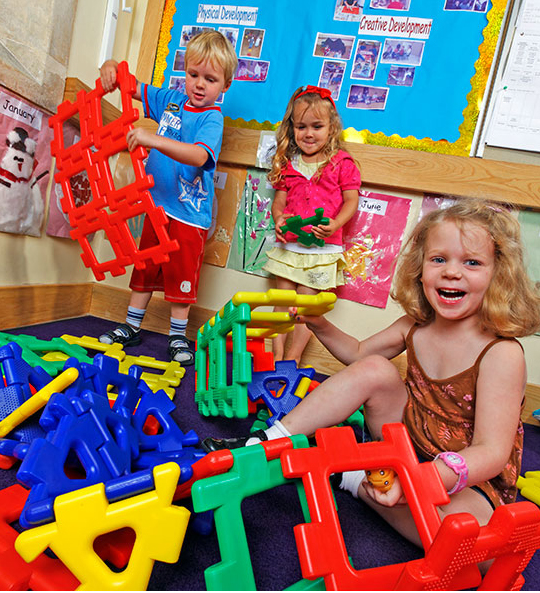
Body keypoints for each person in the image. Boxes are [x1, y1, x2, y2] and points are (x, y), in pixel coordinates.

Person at [203, 199, 540, 548]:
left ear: (499, 274)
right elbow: (358, 354)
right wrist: (320, 324)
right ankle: (268, 440)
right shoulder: (415, 324)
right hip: (408, 441)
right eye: (439, 259)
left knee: (471, 543)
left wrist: (425, 479)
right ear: (419, 268)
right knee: (376, 368)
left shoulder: (502, 353)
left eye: (472, 262)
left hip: (468, 474)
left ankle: (351, 478)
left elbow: (491, 451)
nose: (452, 272)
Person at [97, 31, 238, 365]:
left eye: (210, 79)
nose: (199, 84)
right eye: (193, 74)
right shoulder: (171, 100)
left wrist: (154, 139)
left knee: (181, 275)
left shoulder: (212, 118)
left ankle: (177, 335)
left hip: (188, 215)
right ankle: (131, 325)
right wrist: (111, 66)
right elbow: (131, 86)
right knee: (145, 267)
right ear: (184, 72)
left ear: (225, 85)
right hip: (157, 208)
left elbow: (200, 156)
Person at [263, 85, 360, 364]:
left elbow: (351, 201)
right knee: (282, 301)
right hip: (290, 247)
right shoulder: (288, 164)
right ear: (291, 128)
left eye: (317, 126)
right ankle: (277, 355)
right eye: (301, 126)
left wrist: (336, 224)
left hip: (322, 250)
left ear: (332, 127)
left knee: (306, 308)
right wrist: (278, 218)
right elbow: (279, 202)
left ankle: (293, 359)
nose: (308, 134)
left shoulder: (342, 163)